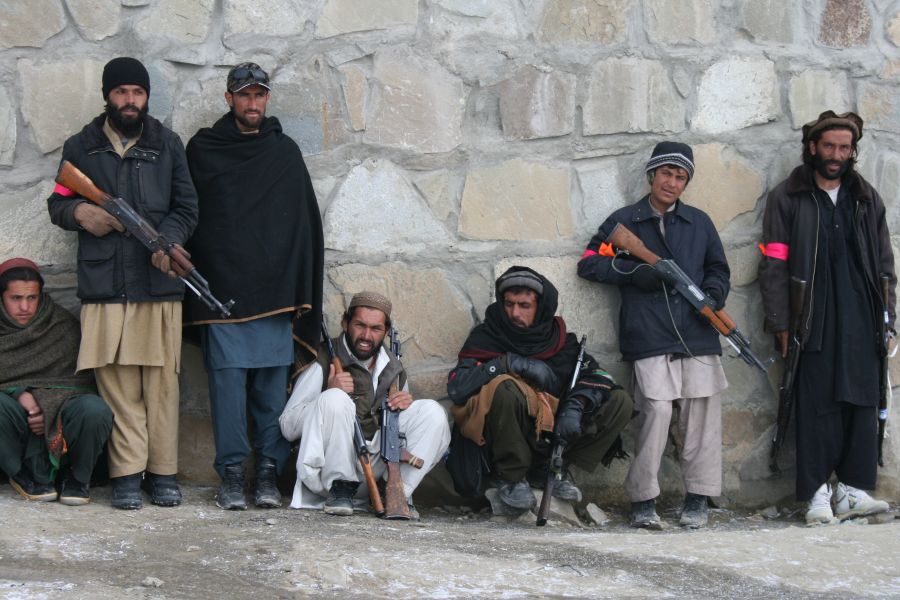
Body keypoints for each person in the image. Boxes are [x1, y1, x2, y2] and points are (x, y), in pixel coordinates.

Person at [47, 57, 198, 510]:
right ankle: (128, 474)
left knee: (161, 386)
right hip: (106, 286)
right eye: (121, 92)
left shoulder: (168, 144)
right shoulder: (81, 146)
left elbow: (187, 208)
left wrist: (167, 241)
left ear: (147, 96)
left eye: (137, 92)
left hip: (157, 284)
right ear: (107, 95)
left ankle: (163, 473)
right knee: (117, 386)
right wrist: (81, 213)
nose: (129, 100)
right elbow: (57, 204)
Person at [184, 62, 324, 510]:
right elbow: (192, 217)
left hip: (274, 294)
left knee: (269, 395)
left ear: (267, 99)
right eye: (244, 95)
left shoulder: (283, 153)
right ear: (229, 99)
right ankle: (230, 475)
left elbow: (303, 226)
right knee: (227, 393)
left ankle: (266, 473)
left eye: (259, 94)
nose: (252, 103)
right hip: (222, 295)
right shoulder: (204, 150)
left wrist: (299, 289)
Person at [578, 142, 730, 529]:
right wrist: (634, 272)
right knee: (656, 413)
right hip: (647, 332)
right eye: (666, 174)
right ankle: (643, 499)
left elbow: (718, 269)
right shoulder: (625, 222)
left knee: (701, 417)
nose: (672, 183)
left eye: (681, 177)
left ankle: (698, 495)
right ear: (651, 175)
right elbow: (589, 262)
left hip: (696, 333)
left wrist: (711, 296)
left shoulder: (700, 222)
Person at [759, 111, 894, 524]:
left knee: (861, 400)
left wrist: (888, 320)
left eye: (844, 148)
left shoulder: (866, 197)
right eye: (830, 146)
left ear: (852, 152)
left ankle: (852, 491)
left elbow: (886, 266)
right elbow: (773, 263)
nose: (836, 154)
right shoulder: (788, 196)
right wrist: (781, 321)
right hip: (811, 317)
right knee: (815, 402)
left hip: (861, 313)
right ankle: (817, 494)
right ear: (813, 147)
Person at [447, 266, 632, 512]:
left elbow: (599, 376)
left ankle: (552, 470)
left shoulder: (560, 341)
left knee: (620, 401)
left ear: (541, 307)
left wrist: (577, 405)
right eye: (509, 304)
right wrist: (506, 363)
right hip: (504, 437)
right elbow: (458, 387)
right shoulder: (487, 336)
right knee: (504, 387)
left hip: (551, 435)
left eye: (524, 306)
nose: (514, 313)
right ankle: (511, 478)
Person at [279, 292, 449, 518]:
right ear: (345, 323)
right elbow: (288, 426)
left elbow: (395, 436)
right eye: (360, 325)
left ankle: (397, 495)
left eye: (376, 329)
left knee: (432, 412)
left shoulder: (393, 367)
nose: (366, 336)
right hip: (327, 478)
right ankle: (341, 487)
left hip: (375, 472)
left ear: (386, 332)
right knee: (335, 399)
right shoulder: (322, 359)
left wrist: (404, 406)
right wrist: (329, 393)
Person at [0, 258, 112, 505]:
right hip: (14, 416)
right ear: (2, 297)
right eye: (16, 298)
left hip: (63, 410)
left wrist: (46, 407)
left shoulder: (61, 326)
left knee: (94, 409)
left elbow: (82, 383)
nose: (25, 307)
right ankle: (20, 473)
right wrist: (20, 394)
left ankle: (77, 478)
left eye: (32, 298)